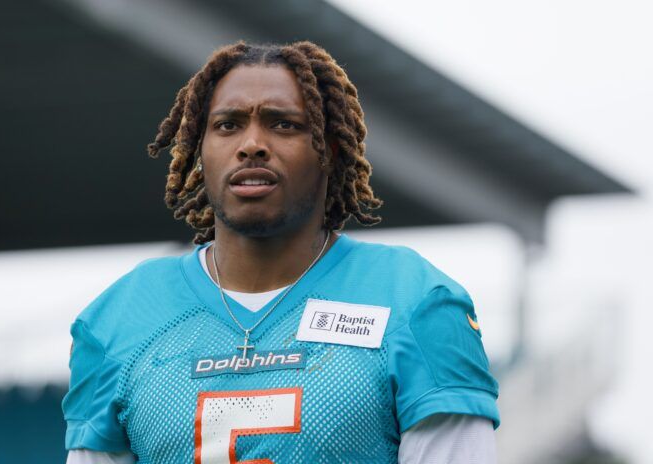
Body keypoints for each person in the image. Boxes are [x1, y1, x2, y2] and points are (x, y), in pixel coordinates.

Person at [63, 41, 499, 464]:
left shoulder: (416, 301)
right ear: (199, 150)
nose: (252, 144)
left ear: (329, 150)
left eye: (283, 124)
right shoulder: (118, 320)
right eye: (228, 125)